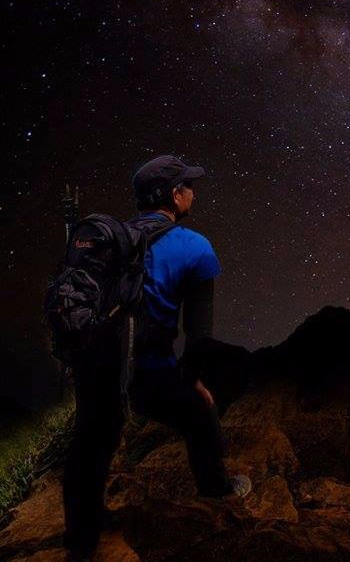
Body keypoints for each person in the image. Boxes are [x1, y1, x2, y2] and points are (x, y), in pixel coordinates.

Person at [62, 155, 251, 562]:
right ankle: (217, 492)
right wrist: (197, 381)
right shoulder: (196, 247)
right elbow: (199, 335)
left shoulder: (106, 239)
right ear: (173, 196)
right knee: (200, 415)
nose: (193, 191)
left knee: (91, 440)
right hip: (150, 373)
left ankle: (81, 539)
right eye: (187, 185)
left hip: (98, 367)